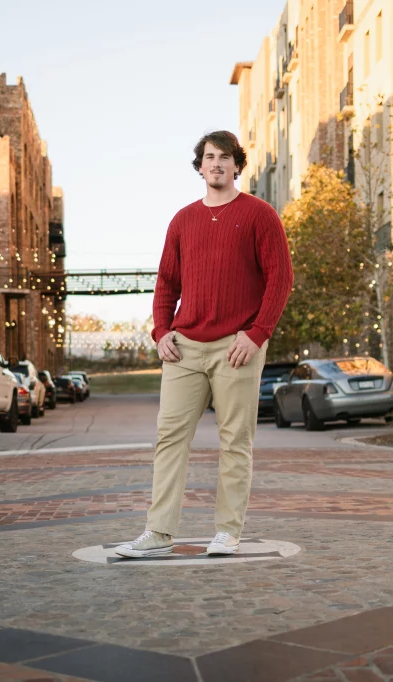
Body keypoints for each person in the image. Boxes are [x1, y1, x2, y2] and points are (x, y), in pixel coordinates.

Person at [115, 131, 293, 558]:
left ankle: (228, 532)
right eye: (209, 157)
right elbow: (166, 284)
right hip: (185, 348)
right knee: (169, 438)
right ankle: (158, 533)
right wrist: (161, 333)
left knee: (235, 441)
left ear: (237, 165)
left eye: (225, 157)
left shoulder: (260, 215)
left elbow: (280, 280)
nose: (216, 164)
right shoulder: (182, 220)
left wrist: (257, 334)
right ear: (199, 166)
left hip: (237, 347)